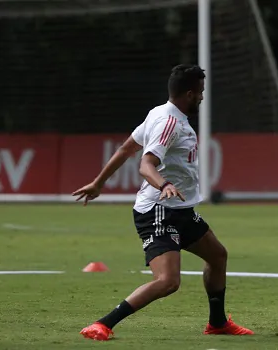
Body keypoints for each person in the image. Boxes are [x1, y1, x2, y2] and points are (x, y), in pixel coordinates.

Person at [73, 64, 253, 341]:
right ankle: (103, 323)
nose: (203, 97)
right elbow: (145, 164)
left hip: (180, 209)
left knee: (217, 256)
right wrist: (164, 184)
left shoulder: (160, 112)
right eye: (201, 92)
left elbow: (125, 148)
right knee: (168, 281)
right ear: (190, 94)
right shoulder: (169, 123)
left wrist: (99, 183)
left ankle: (217, 323)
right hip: (158, 210)